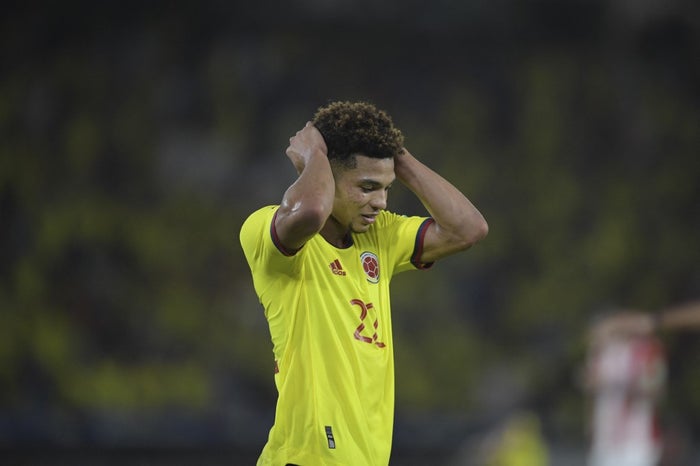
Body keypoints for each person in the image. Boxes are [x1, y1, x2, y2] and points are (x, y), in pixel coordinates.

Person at [239, 101, 488, 466]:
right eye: (367, 187)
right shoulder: (265, 232)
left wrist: (396, 156)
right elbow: (311, 211)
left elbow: (468, 229)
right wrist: (314, 156)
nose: (381, 203)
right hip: (306, 457)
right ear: (328, 175)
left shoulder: (379, 237)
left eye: (386, 188)